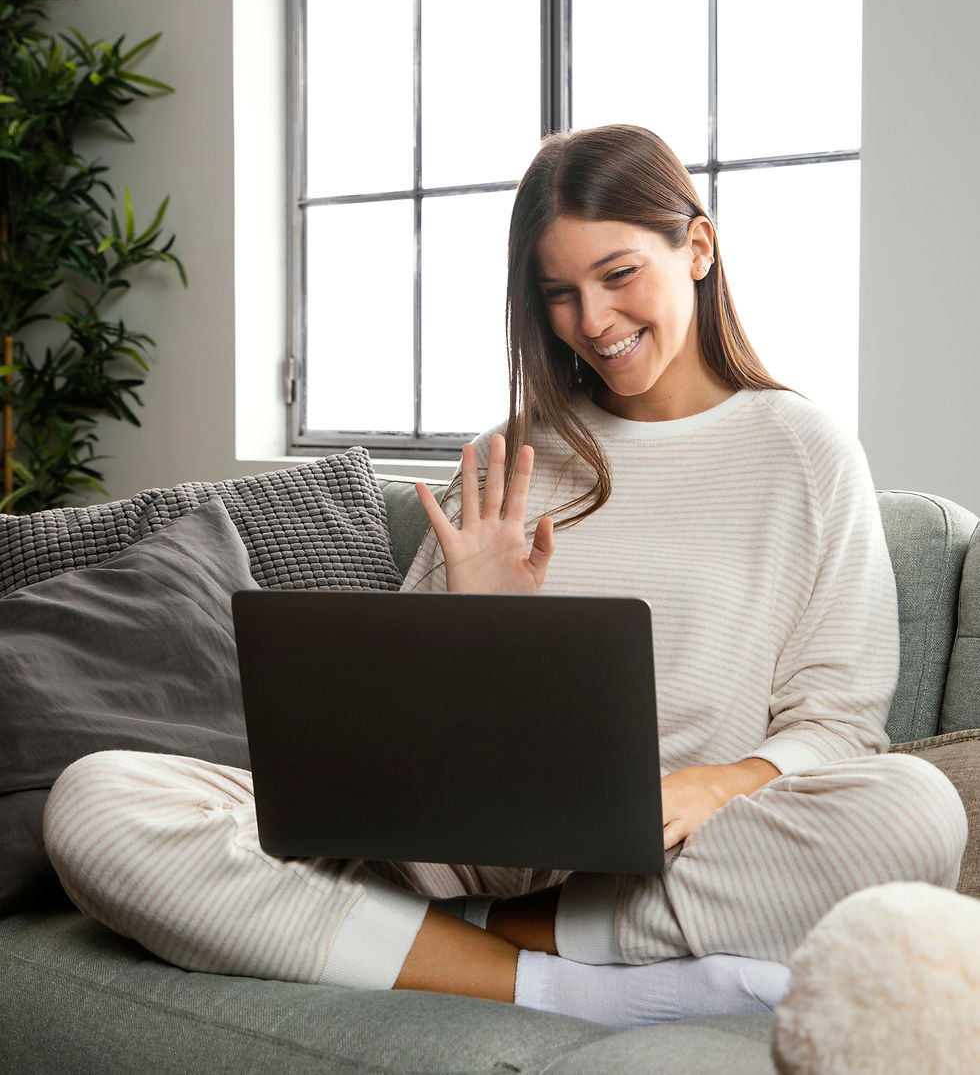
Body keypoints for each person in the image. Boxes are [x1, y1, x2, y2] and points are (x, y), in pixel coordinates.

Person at [43, 124, 967, 1030]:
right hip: (441, 855)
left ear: (697, 247)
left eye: (618, 274)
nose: (592, 322)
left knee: (915, 812)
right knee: (97, 802)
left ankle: (441, 940)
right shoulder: (509, 456)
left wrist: (714, 786)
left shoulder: (805, 453)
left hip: (668, 859)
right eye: (559, 293)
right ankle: (561, 983)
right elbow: (379, 735)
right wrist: (471, 622)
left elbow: (840, 725)